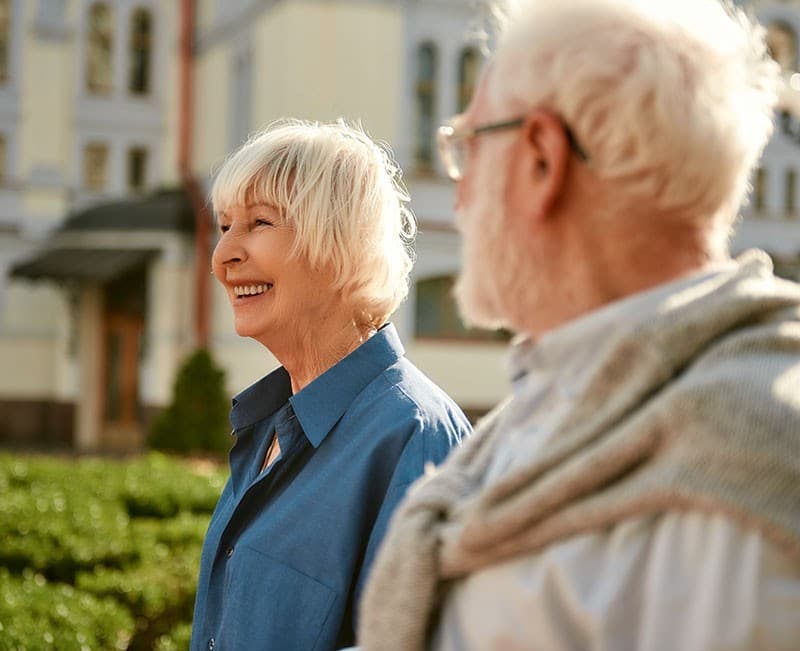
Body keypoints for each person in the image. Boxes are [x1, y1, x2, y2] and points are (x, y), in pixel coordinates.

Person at [358, 0, 800, 649]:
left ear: (542, 158)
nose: (458, 192)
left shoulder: (746, 480)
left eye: (469, 146)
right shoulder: (557, 397)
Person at [190, 120, 470, 651]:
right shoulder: (267, 427)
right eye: (226, 226)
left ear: (340, 244)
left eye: (259, 223)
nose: (222, 255)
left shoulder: (416, 439)